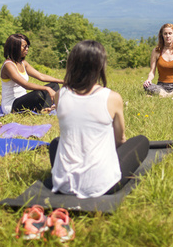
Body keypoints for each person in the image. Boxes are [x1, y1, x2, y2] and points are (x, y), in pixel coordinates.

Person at [50, 40, 150, 198]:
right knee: (142, 141)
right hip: (104, 185)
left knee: (56, 143)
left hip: (64, 184)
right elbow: (120, 139)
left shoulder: (59, 95)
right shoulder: (112, 98)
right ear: (99, 66)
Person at [0, 34, 63, 114]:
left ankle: (45, 109)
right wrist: (47, 89)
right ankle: (43, 108)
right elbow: (25, 84)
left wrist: (62, 81)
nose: (27, 49)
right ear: (15, 47)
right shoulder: (8, 65)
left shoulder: (23, 63)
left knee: (54, 85)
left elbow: (41, 76)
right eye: (24, 46)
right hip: (11, 105)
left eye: (27, 46)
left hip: (24, 99)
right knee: (38, 94)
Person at [143, 23, 173, 97]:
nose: (168, 36)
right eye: (165, 34)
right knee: (146, 86)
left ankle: (164, 96)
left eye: (170, 33)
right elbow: (152, 72)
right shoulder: (156, 51)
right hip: (161, 87)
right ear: (162, 36)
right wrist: (148, 80)